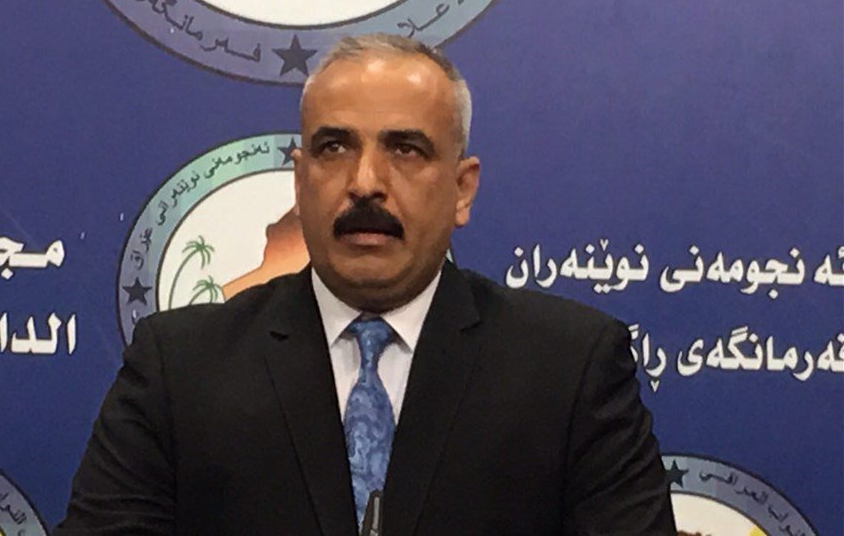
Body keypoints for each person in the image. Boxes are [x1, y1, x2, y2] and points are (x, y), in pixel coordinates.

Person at [56, 34, 676, 535]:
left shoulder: (569, 367)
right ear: (300, 181)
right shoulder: (180, 365)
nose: (365, 183)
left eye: (405, 150)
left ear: (462, 189)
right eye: (334, 148)